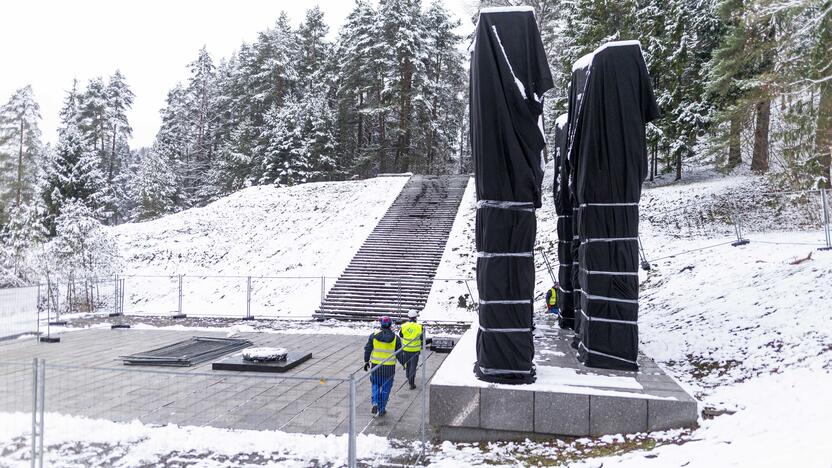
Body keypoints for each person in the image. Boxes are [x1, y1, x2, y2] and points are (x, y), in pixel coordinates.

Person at [363, 316, 403, 417]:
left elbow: (368, 349)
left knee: (375, 385)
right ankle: (381, 409)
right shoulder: (395, 338)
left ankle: (375, 402)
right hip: (389, 368)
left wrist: (366, 361)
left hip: (376, 367)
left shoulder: (374, 335)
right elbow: (399, 354)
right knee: (386, 388)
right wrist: (405, 363)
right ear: (390, 325)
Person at [399, 310, 424, 390]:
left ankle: (408, 377)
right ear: (416, 318)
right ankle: (411, 383)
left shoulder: (404, 326)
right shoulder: (419, 326)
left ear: (408, 317)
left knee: (408, 365)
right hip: (415, 350)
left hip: (406, 349)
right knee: (413, 366)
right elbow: (422, 338)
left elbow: (401, 335)